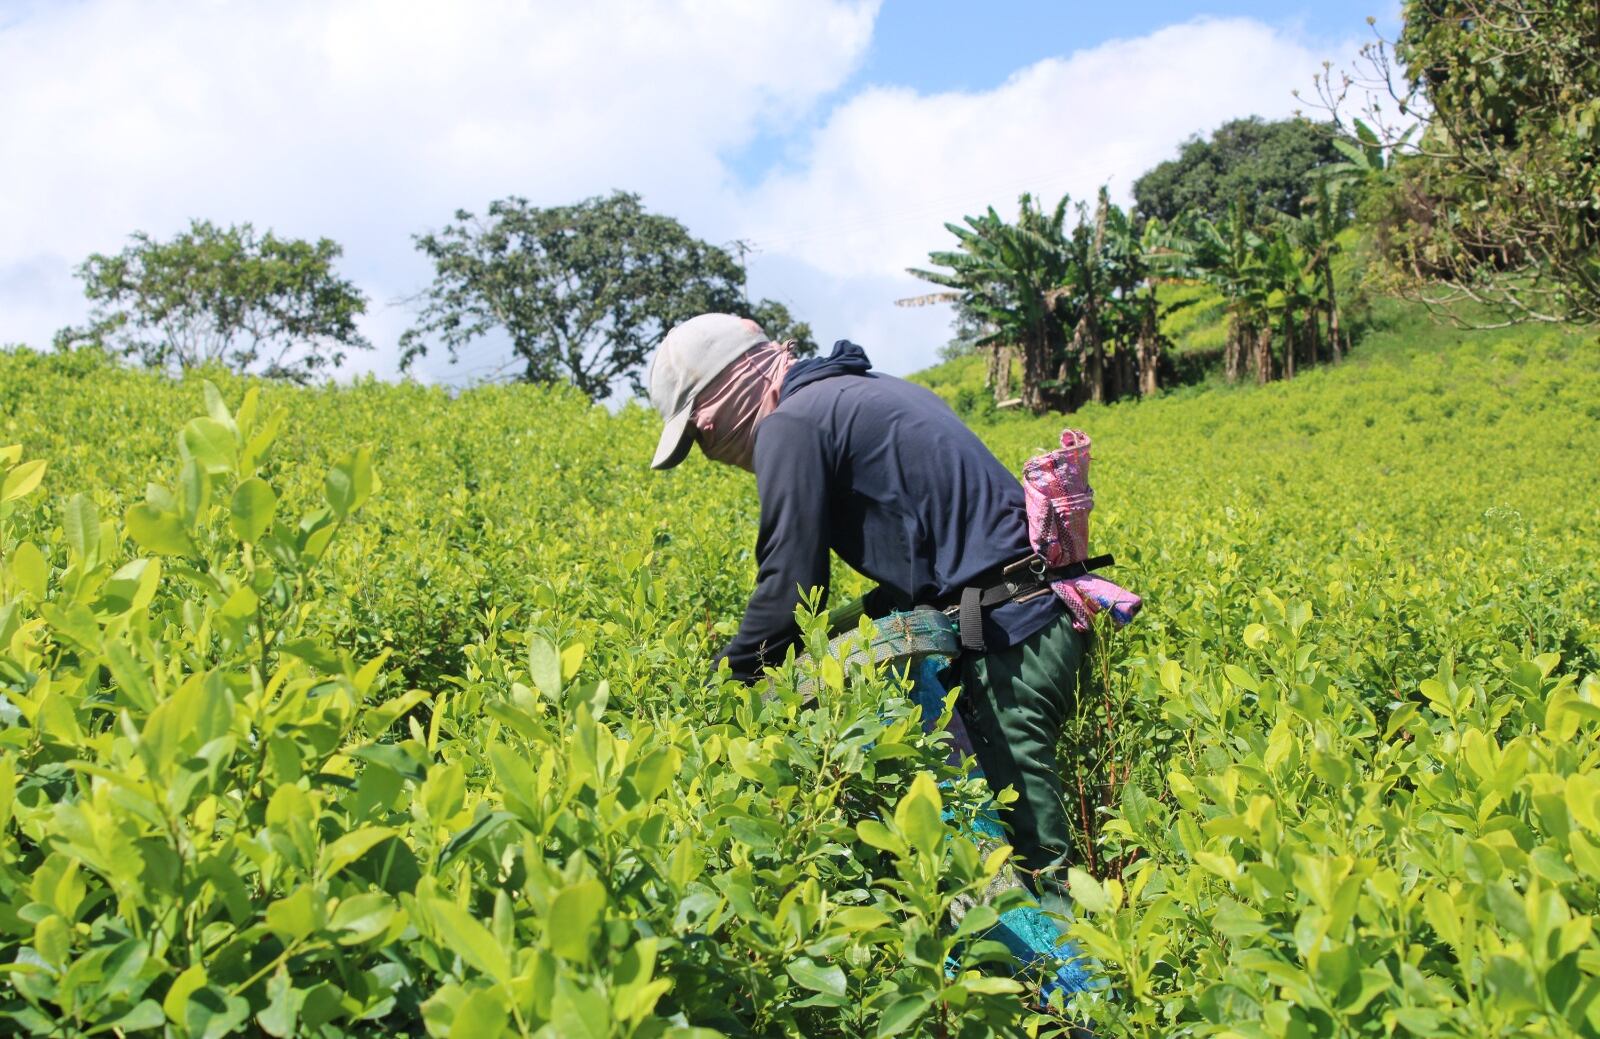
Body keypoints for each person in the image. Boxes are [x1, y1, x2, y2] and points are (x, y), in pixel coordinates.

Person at [646, 312, 1088, 910]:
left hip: (1013, 634)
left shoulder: (791, 425)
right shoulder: (865, 390)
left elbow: (790, 585)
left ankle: (1084, 993)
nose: (708, 450)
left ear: (723, 394)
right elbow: (929, 558)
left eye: (699, 433)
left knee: (1034, 868)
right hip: (1041, 615)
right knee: (1008, 846)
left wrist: (724, 691)